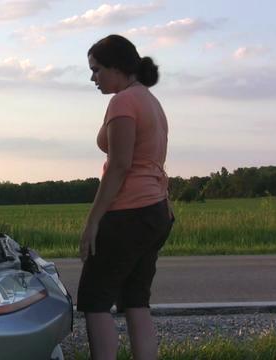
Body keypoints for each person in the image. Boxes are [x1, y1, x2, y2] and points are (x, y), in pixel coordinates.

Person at [77, 34, 174, 360]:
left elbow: (119, 165)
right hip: (156, 211)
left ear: (117, 67)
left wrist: (93, 222)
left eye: (97, 70)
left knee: (94, 300)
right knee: (135, 299)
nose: (93, 78)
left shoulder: (123, 102)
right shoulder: (149, 100)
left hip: (128, 213)